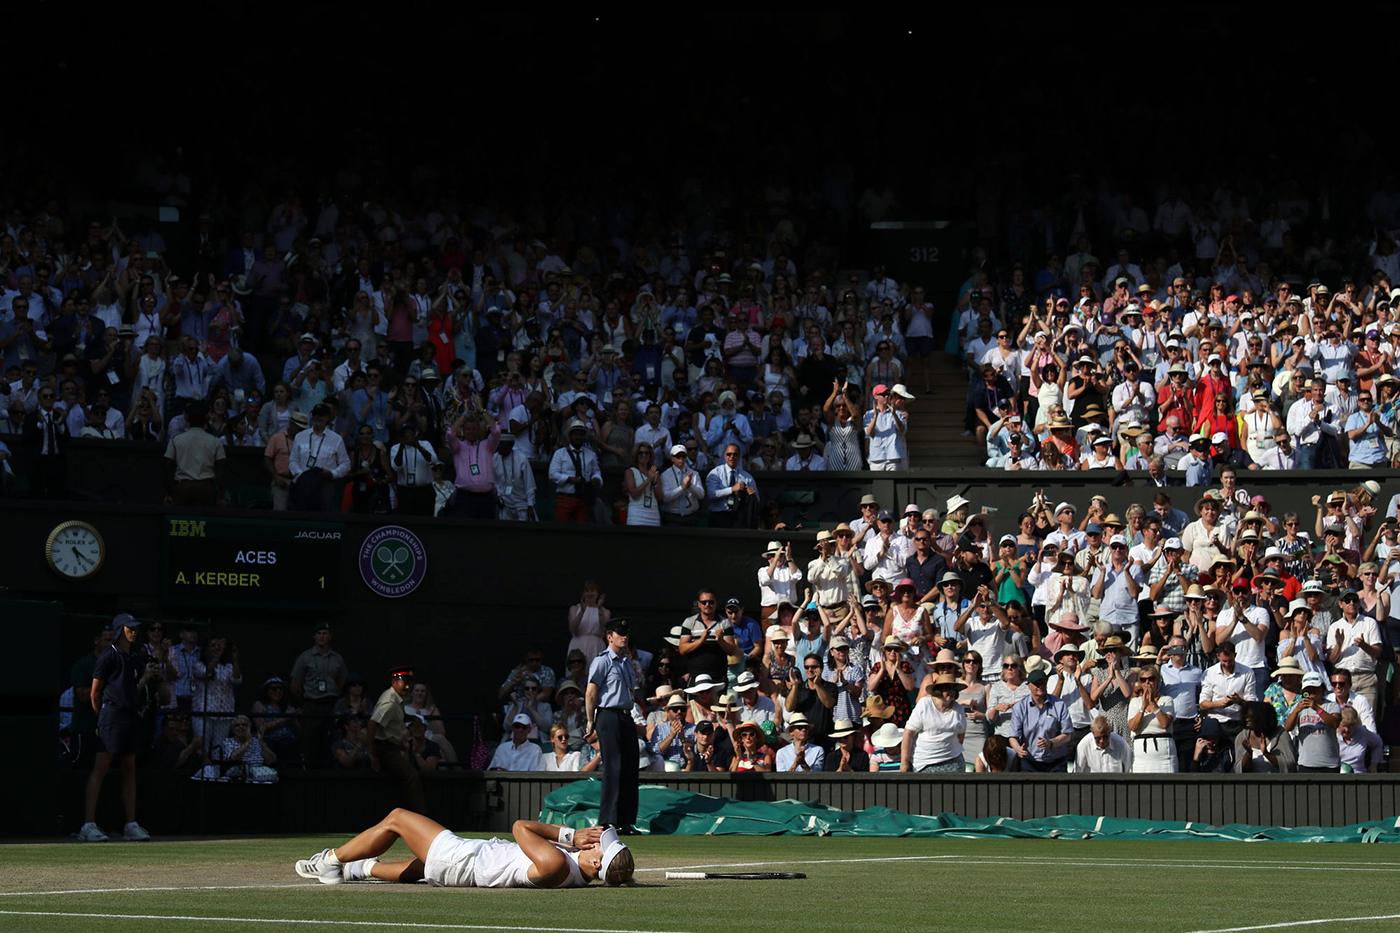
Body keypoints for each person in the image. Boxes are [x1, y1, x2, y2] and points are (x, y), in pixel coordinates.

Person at [294, 815, 633, 888]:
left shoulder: (557, 863)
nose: (593, 841)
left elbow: (519, 827)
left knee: (396, 819)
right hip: (465, 864)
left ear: (597, 861)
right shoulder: (571, 868)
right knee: (418, 867)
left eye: (597, 846)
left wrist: (571, 835)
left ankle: (330, 861)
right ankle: (356, 871)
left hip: (462, 860)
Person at [78, 613, 156, 842]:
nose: (134, 631)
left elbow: (133, 689)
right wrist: (103, 718)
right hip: (110, 717)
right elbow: (94, 693)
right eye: (130, 628)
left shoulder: (134, 658)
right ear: (120, 630)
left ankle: (131, 825)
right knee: (100, 768)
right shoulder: (108, 656)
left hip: (131, 717)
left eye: (135, 628)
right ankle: (88, 825)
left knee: (130, 768)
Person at [585, 619, 640, 834]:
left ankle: (625, 821)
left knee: (629, 766)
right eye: (619, 633)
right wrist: (590, 721)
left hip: (626, 715)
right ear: (609, 636)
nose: (623, 636)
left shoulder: (626, 662)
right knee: (613, 767)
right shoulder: (602, 661)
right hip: (608, 715)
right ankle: (608, 820)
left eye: (625, 632)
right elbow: (591, 692)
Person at [367, 664, 425, 813]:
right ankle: (421, 818)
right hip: (384, 749)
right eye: (404, 683)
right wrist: (372, 754)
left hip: (391, 747)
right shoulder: (390, 702)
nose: (407, 687)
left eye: (409, 683)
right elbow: (373, 723)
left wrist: (411, 718)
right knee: (412, 776)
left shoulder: (397, 698)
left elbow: (396, 716)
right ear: (394, 682)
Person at [290, 622, 348, 764]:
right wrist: (305, 703)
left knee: (331, 740)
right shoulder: (305, 657)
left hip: (331, 705)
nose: (322, 637)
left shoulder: (337, 658)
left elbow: (342, 683)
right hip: (312, 705)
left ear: (330, 636)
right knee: (310, 743)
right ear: (314, 637)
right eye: (319, 634)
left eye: (325, 633)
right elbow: (295, 685)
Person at [163, 401, 226, 507]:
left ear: (188, 418)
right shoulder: (215, 441)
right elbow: (221, 469)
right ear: (205, 419)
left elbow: (167, 466)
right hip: (206, 488)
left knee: (181, 520)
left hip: (182, 487)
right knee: (205, 521)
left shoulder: (176, 440)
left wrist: (167, 494)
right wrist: (222, 497)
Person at [900, 674, 968, 772]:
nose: (951, 692)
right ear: (938, 690)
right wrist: (904, 762)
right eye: (947, 689)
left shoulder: (959, 709)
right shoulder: (924, 705)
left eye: (953, 689)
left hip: (953, 761)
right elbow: (908, 734)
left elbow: (960, 736)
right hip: (925, 762)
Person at [1286, 672, 1342, 773]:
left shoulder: (1331, 706)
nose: (1311, 692)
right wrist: (1296, 710)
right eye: (1308, 690)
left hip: (1329, 763)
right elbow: (1287, 728)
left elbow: (1334, 723)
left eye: (1314, 689)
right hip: (1306, 763)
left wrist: (1316, 708)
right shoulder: (1299, 707)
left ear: (1322, 688)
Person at [1127, 664, 1177, 772]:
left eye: (1151, 679)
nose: (1147, 682)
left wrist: (1153, 704)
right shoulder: (1135, 702)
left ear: (1157, 681)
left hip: (1164, 754)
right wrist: (1143, 707)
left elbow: (1165, 724)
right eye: (1143, 680)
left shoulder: (1167, 700)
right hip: (1142, 755)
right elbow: (1133, 727)